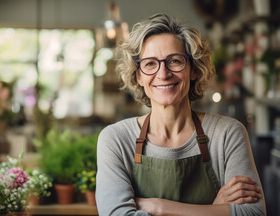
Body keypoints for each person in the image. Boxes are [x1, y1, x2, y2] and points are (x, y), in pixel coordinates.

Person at [96, 14, 265, 216]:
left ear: (193, 70)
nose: (163, 73)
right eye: (150, 63)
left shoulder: (228, 133)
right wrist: (214, 210)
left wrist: (160, 207)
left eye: (175, 61)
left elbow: (253, 213)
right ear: (138, 75)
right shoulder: (115, 139)